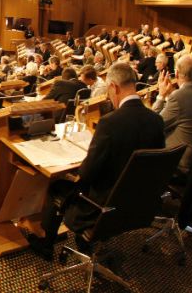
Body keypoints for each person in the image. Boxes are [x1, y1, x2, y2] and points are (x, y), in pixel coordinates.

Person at [27, 63, 165, 260]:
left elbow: (87, 174)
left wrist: (70, 172)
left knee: (57, 186)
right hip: (135, 205)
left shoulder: (110, 122)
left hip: (101, 207)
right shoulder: (156, 121)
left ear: (114, 87)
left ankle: (46, 245)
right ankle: (84, 241)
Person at [153, 55, 192, 175]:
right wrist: (169, 94)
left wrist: (161, 95)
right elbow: (180, 110)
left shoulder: (178, 97)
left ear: (176, 73)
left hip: (177, 162)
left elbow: (155, 124)